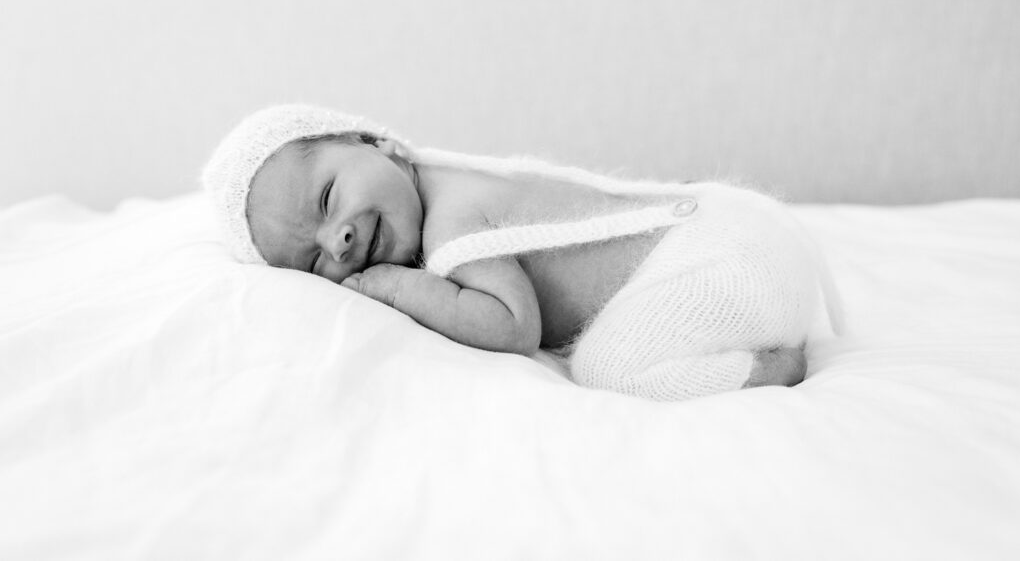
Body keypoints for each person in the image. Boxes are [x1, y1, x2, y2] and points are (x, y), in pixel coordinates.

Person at [202, 104, 843, 400]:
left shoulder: (452, 225)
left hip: (726, 266)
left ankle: (771, 367)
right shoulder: (446, 178)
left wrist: (398, 288)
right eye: (315, 262)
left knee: (609, 370)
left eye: (327, 200)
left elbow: (512, 326)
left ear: (376, 143)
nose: (336, 239)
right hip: (740, 238)